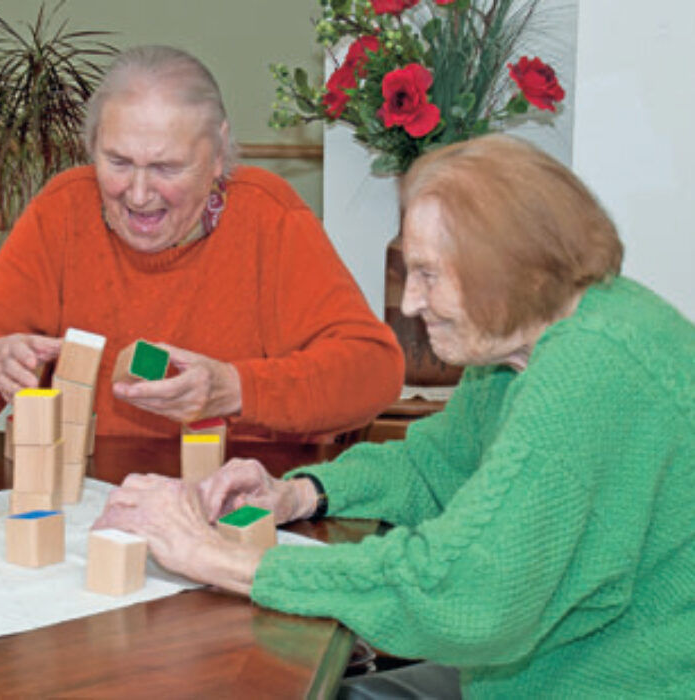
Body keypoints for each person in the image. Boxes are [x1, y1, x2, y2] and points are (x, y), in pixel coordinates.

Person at [94, 134, 695, 698]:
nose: (409, 302)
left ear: (511, 271)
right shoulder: (525, 341)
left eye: (430, 275)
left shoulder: (590, 369)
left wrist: (219, 558)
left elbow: (465, 592)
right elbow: (434, 466)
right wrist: (301, 492)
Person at [0, 45, 404, 443]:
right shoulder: (62, 210)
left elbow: (374, 371)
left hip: (238, 495)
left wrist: (236, 389)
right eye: (118, 162)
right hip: (88, 496)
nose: (138, 195)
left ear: (217, 152)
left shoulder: (268, 215)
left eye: (166, 167)